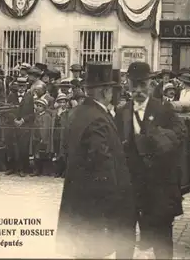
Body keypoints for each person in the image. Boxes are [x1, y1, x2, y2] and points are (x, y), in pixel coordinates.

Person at [56, 63, 135, 259]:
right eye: (113, 90)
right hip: (96, 206)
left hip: (79, 200)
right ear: (106, 91)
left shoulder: (79, 113)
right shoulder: (98, 118)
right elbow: (102, 163)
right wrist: (115, 204)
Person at [115, 61, 187, 259]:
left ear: (151, 83)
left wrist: (161, 138)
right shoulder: (122, 112)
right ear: (127, 84)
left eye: (143, 85)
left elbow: (180, 133)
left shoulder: (164, 109)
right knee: (123, 232)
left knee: (161, 235)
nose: (138, 90)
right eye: (134, 85)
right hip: (130, 183)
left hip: (158, 183)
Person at [29, 98, 54, 177]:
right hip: (35, 136)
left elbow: (46, 128)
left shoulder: (46, 116)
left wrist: (43, 138)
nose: (38, 107)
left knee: (43, 153)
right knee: (36, 153)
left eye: (41, 106)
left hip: (42, 137)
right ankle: (37, 170)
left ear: (44, 107)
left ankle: (44, 170)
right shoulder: (36, 115)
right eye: (38, 106)